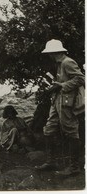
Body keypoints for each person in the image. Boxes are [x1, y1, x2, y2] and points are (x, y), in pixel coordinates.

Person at [35, 39, 85, 176]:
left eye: (49, 53)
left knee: (71, 131)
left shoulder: (67, 62)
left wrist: (61, 86)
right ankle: (51, 161)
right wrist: (54, 86)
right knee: (49, 129)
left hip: (67, 103)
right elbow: (63, 81)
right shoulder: (59, 64)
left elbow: (81, 79)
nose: (49, 56)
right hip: (57, 101)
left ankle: (74, 167)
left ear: (54, 52)